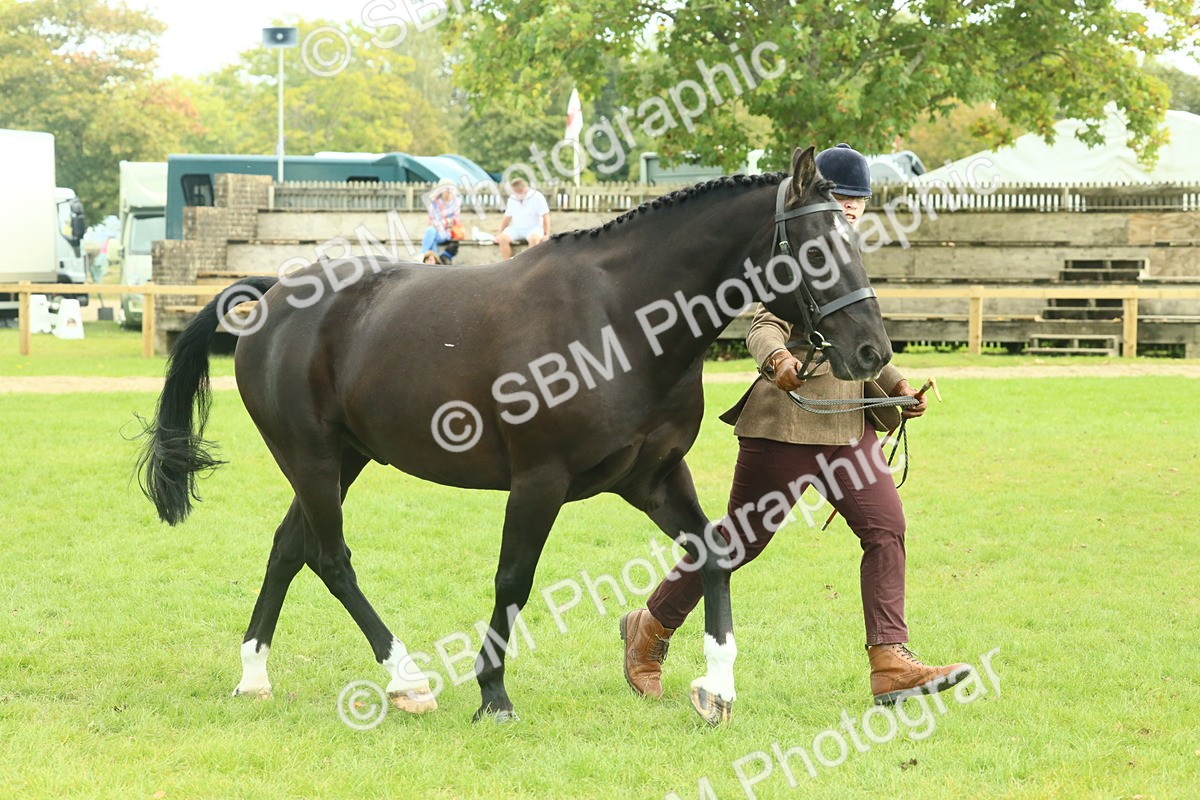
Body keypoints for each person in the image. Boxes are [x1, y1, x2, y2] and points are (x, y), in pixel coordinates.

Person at [620, 143, 973, 707]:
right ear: (818, 199)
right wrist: (777, 359)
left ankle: (890, 661)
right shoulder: (797, 252)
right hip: (785, 423)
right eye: (842, 197)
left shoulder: (848, 253)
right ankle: (650, 628)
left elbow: (863, 343)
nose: (853, 208)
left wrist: (899, 387)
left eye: (860, 199)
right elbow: (763, 322)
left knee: (886, 529)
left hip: (848, 426)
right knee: (737, 543)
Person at [496, 178, 550, 259]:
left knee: (534, 239)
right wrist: (499, 233)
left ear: (522, 190)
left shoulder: (537, 196)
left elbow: (545, 215)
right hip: (516, 228)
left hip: (534, 228)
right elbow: (507, 217)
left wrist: (546, 234)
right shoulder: (512, 198)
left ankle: (531, 266)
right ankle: (508, 265)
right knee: (502, 238)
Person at [420, 178, 462, 260]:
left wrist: (441, 223)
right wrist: (441, 223)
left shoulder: (456, 203)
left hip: (447, 232)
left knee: (431, 232)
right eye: (447, 190)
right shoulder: (434, 203)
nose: (449, 192)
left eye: (451, 189)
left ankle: (422, 256)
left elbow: (454, 220)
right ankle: (435, 261)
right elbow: (431, 220)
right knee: (431, 232)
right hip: (435, 230)